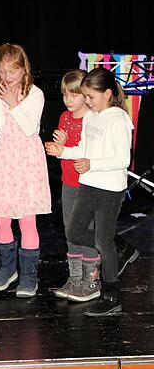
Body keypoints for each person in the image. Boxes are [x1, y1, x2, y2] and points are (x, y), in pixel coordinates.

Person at [46, 68, 134, 316]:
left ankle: (111, 296)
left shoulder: (118, 119)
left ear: (107, 94)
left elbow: (123, 159)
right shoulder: (92, 116)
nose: (87, 101)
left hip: (109, 189)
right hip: (89, 183)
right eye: (84, 96)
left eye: (91, 96)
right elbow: (84, 147)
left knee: (102, 242)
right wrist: (63, 152)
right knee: (75, 231)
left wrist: (92, 164)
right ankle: (122, 247)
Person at [0, 43, 51, 298]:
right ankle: (7, 269)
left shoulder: (35, 94)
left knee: (27, 219)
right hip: (5, 158)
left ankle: (28, 276)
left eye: (12, 71)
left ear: (24, 69)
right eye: (3, 71)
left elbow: (30, 129)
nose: (7, 77)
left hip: (27, 158)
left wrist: (14, 102)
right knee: (1, 218)